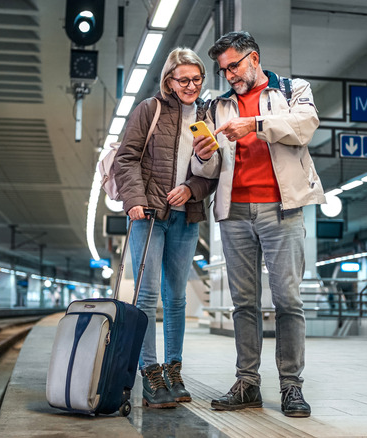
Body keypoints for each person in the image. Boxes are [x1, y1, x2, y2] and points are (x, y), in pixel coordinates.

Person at [191, 31, 324, 418]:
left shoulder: (292, 90)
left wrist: (254, 125)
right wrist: (204, 156)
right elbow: (211, 169)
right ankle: (247, 382)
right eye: (224, 70)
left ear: (254, 58)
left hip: (282, 209)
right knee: (243, 304)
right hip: (234, 212)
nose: (229, 75)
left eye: (234, 66)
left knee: (288, 301)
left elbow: (305, 125)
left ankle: (291, 385)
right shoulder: (216, 106)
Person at [114, 47, 217, 409]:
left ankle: (174, 371)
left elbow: (215, 171)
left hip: (186, 217)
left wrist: (191, 189)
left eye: (197, 79)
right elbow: (126, 157)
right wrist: (135, 200)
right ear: (169, 81)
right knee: (147, 296)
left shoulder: (206, 115)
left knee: (176, 298)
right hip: (148, 216)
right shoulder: (150, 109)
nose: (191, 85)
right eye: (183, 79)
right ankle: (150, 374)